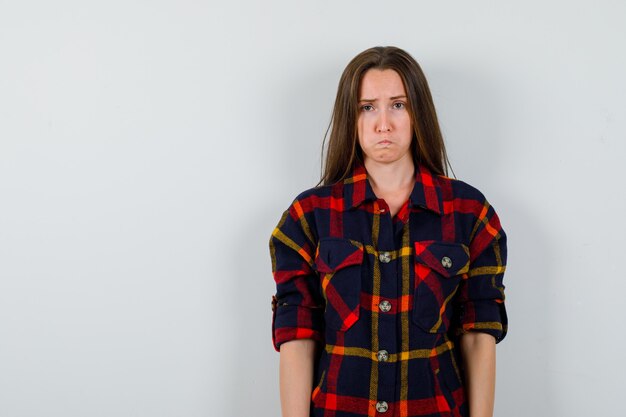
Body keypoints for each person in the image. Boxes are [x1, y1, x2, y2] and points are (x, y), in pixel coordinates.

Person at [269, 46, 507, 417]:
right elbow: (297, 337)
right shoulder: (307, 217)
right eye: (368, 107)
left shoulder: (470, 213)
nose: (384, 124)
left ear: (418, 113)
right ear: (351, 117)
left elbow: (478, 337)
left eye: (398, 105)